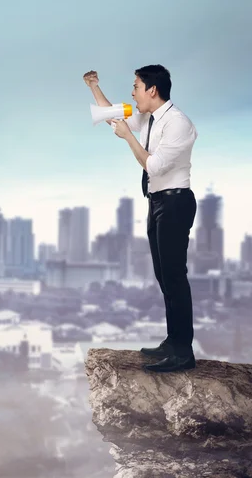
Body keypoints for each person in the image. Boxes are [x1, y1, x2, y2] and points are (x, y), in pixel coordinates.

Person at [83, 65, 198, 373]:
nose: (132, 93)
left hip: (175, 204)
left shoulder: (178, 124)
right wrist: (94, 85)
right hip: (157, 202)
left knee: (174, 277)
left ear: (152, 90)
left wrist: (127, 140)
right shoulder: (147, 116)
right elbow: (111, 115)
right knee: (164, 276)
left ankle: (183, 351)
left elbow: (156, 166)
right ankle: (174, 341)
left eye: (135, 87)